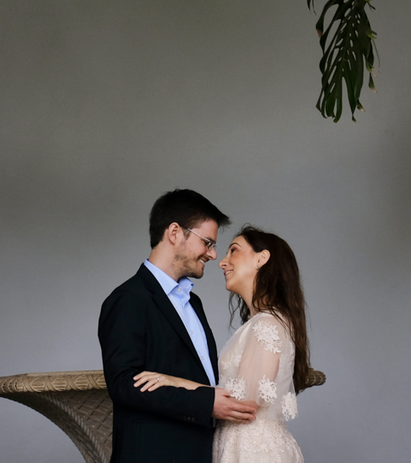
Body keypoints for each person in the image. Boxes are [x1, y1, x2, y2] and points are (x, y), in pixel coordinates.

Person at [99, 190, 259, 463]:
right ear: (174, 233)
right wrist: (206, 403)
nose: (212, 254)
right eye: (207, 242)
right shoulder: (128, 299)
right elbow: (123, 384)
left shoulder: (193, 302)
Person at [132, 226, 310, 463]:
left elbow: (244, 404)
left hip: (254, 452)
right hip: (239, 446)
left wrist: (175, 382)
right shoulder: (258, 323)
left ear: (262, 258)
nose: (222, 262)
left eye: (233, 251)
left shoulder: (267, 324)